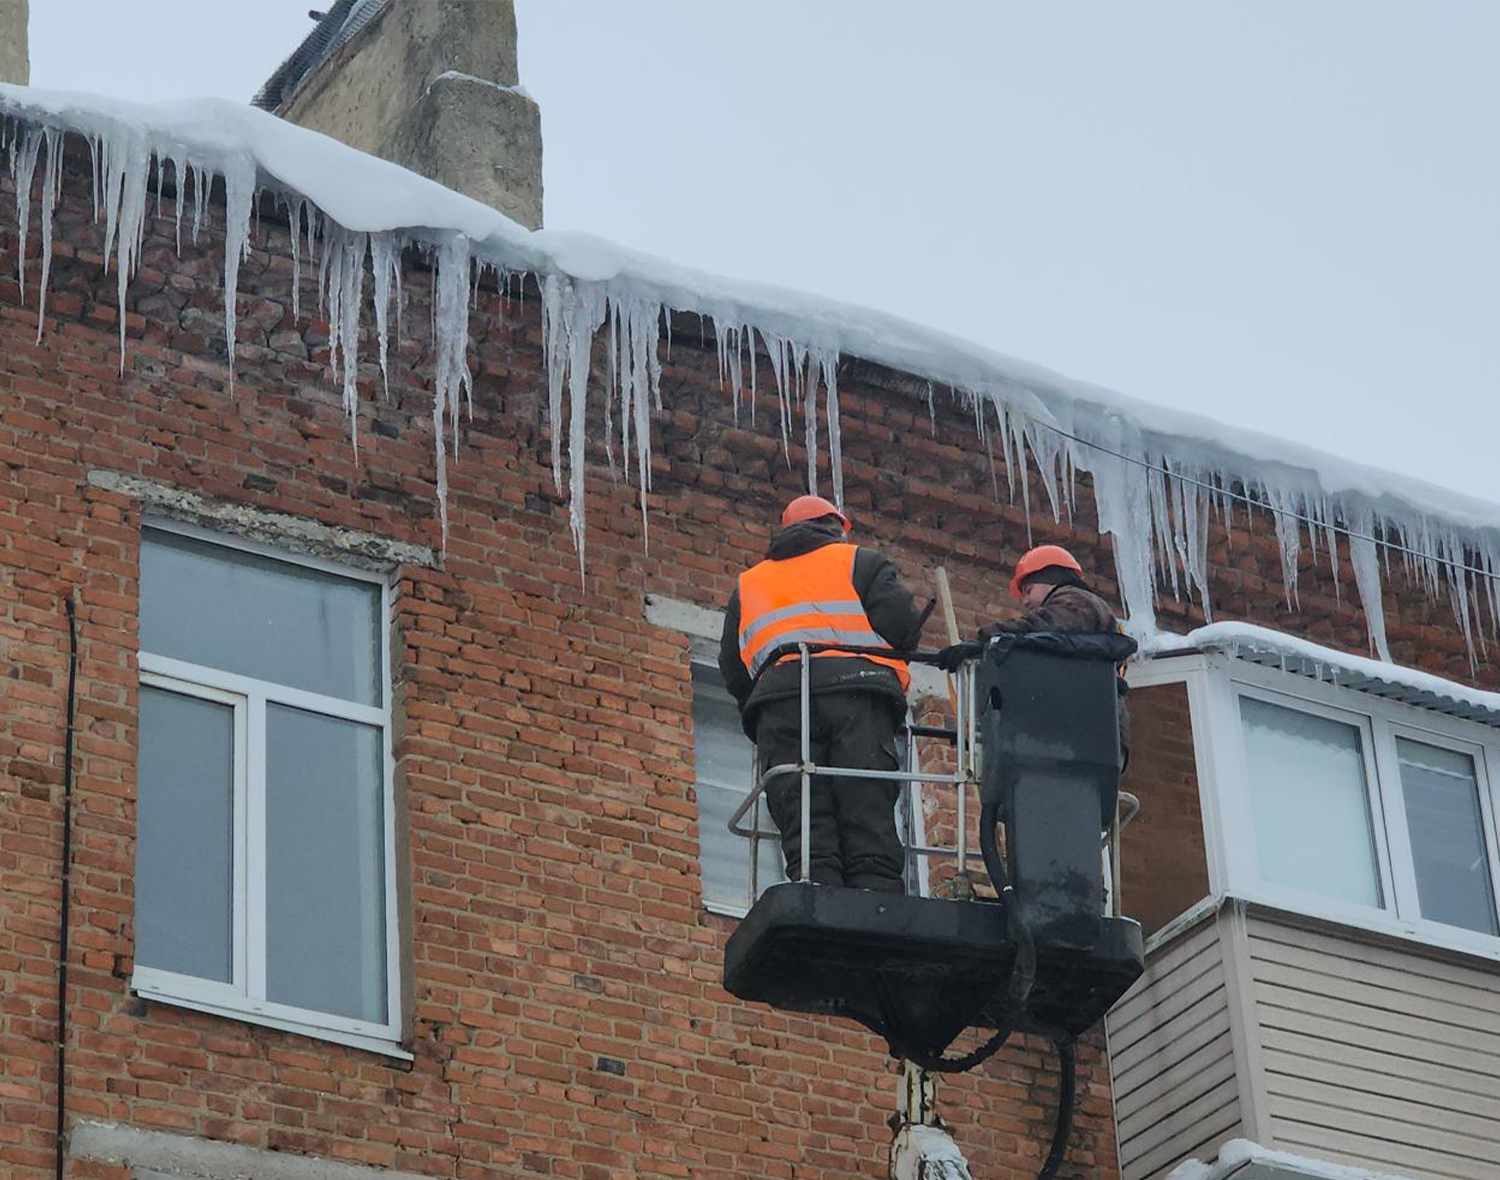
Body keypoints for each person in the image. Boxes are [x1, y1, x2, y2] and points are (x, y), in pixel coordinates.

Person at [719, 495, 927, 892]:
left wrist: (761, 707)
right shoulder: (861, 562)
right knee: (862, 788)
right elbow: (900, 625)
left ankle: (814, 882)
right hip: (856, 693)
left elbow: (733, 666)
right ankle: (874, 889)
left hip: (780, 702)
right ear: (837, 528)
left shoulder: (749, 585)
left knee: (800, 795)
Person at [940, 544, 1131, 763]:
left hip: (1091, 734)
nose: (1025, 601)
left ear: (1052, 580)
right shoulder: (1080, 611)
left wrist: (984, 640)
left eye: (1028, 590)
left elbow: (1042, 626)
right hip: (1091, 732)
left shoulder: (1078, 601)